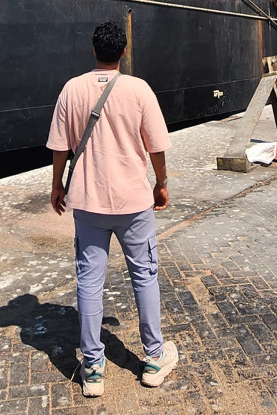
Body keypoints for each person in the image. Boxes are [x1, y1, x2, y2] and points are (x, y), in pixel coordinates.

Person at [46, 21, 179, 398]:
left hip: (87, 202)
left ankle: (92, 367)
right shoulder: (138, 89)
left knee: (89, 282)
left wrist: (57, 186)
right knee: (144, 276)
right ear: (123, 52)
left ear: (93, 51)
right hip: (134, 202)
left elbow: (60, 147)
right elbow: (156, 146)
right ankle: (153, 358)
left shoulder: (71, 89)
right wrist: (161, 182)